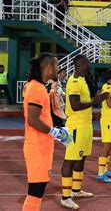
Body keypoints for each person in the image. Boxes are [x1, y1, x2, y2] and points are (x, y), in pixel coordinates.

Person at [22, 53, 71, 211]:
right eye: (56, 66)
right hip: (38, 147)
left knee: (38, 191)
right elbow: (33, 120)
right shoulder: (37, 88)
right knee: (35, 192)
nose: (58, 69)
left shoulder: (36, 85)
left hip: (39, 145)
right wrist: (55, 132)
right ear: (49, 67)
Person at [61, 55, 110, 209]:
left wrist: (95, 99)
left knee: (81, 157)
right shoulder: (74, 80)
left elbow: (85, 101)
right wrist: (94, 101)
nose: (89, 66)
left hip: (85, 124)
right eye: (87, 63)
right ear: (80, 64)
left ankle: (76, 190)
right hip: (75, 124)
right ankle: (65, 196)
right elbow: (75, 105)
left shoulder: (82, 79)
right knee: (70, 159)